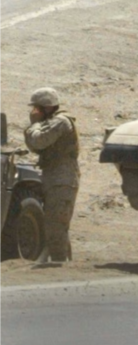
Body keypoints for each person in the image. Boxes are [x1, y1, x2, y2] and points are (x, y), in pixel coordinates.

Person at [23, 87, 79, 264]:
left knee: (56, 223)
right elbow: (34, 145)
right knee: (55, 222)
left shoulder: (60, 122)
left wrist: (34, 124)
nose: (34, 112)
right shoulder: (51, 122)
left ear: (47, 107)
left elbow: (39, 141)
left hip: (62, 179)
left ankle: (58, 262)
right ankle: (62, 262)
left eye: (37, 108)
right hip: (54, 176)